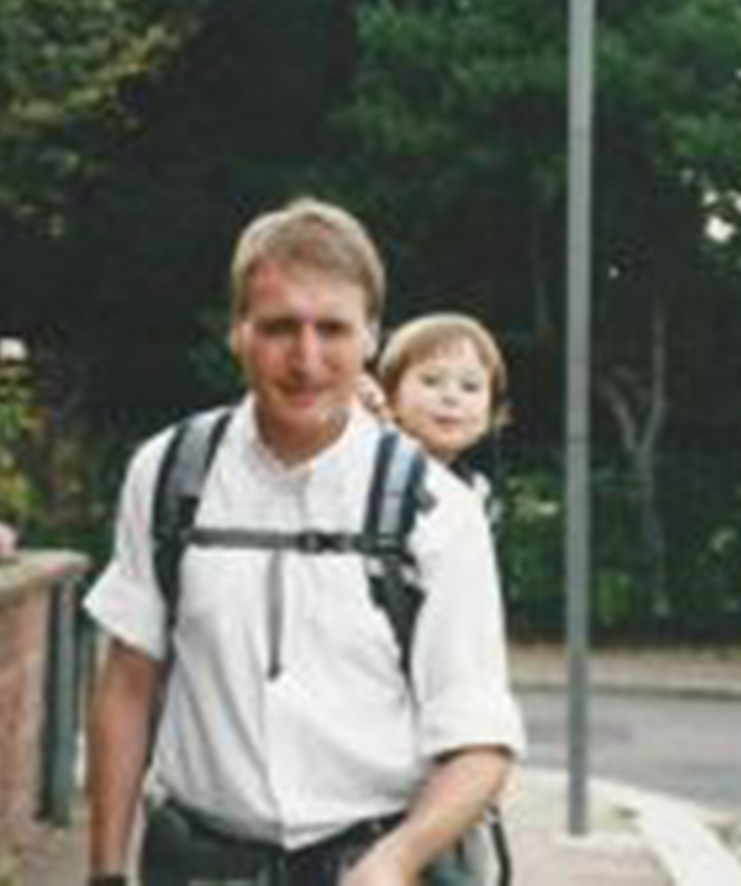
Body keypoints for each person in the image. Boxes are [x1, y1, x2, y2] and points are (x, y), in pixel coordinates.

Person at [84, 198, 524, 886]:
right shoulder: (169, 473)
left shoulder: (435, 508)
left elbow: (481, 744)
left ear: (372, 337)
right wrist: (106, 872)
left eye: (333, 329)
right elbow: (127, 683)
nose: (306, 358)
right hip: (197, 865)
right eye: (279, 327)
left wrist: (396, 861)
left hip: (371, 863)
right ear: (237, 331)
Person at [376, 313, 508, 500]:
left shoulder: (478, 490)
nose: (451, 397)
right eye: (431, 381)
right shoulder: (370, 475)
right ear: (391, 398)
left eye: (470, 387)